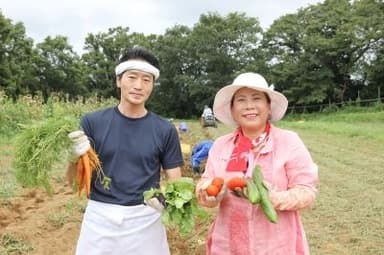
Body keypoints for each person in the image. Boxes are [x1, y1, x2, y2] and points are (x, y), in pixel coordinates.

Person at [67, 47, 183, 255]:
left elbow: (176, 182)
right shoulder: (92, 122)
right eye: (132, 77)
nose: (139, 86)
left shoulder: (164, 129)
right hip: (100, 218)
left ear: (152, 85)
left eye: (146, 80)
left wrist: (169, 202)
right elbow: (73, 182)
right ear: (119, 81)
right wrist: (73, 157)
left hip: (146, 218)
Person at [196, 72, 318, 254]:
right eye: (241, 100)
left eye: (256, 98)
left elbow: (307, 191)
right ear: (232, 109)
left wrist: (273, 197)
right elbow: (205, 182)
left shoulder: (288, 141)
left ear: (269, 107)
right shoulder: (222, 145)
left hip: (277, 245)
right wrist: (210, 193)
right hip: (229, 244)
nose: (249, 106)